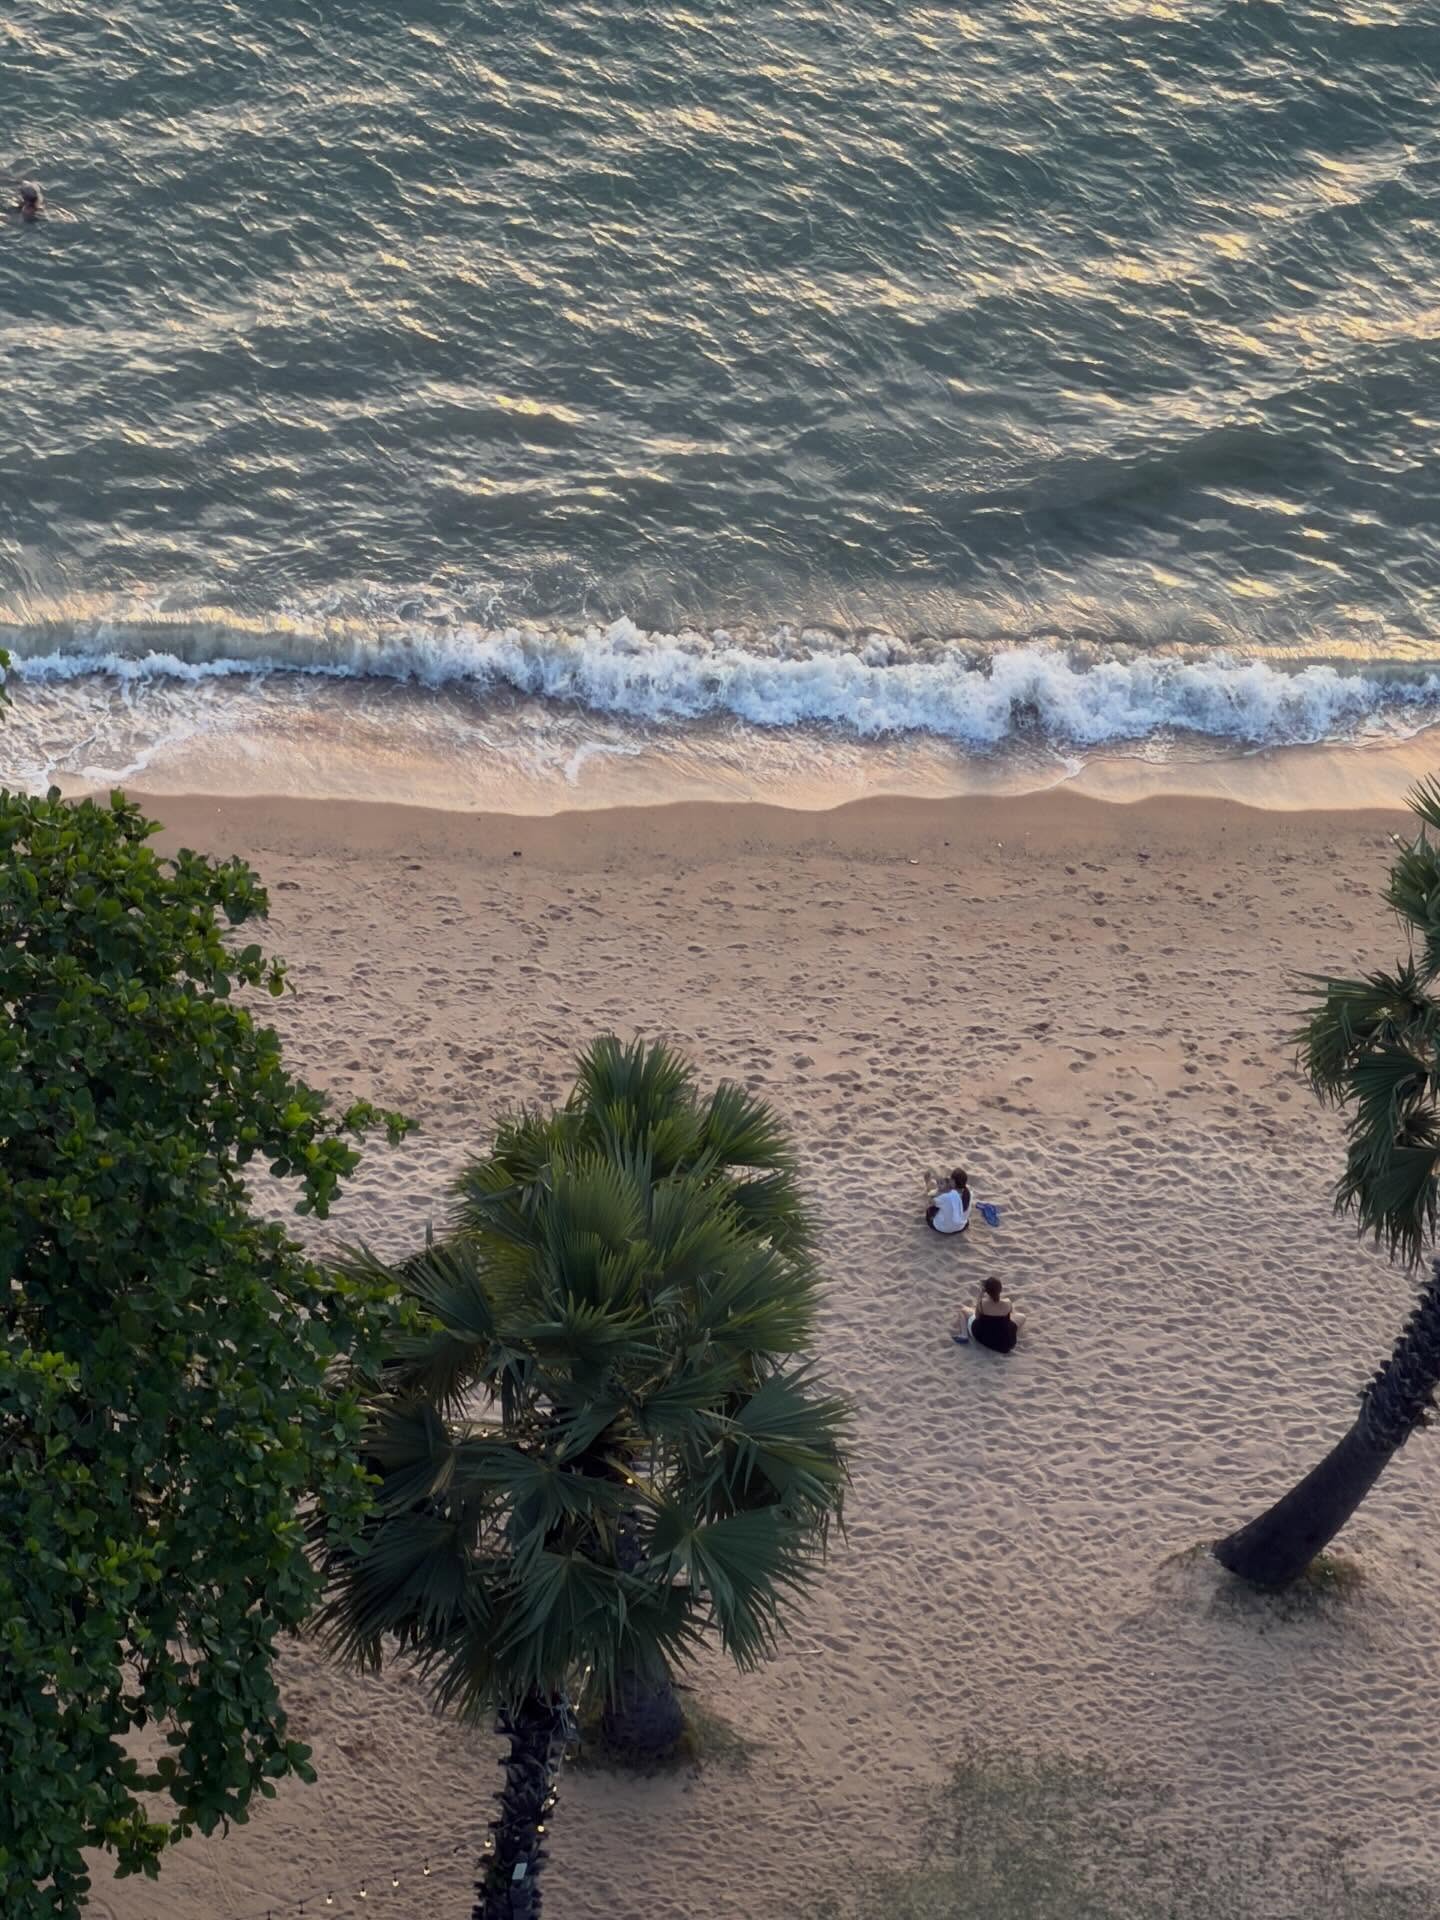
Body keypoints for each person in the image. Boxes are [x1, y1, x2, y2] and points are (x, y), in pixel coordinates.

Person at [952, 1276, 1024, 1353]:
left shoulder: (982, 1303)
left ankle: (964, 1335)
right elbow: (1011, 1315)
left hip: (983, 1337)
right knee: (1022, 1317)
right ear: (1000, 1290)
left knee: (963, 1310)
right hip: (1005, 1342)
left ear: (986, 1291)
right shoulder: (1007, 1302)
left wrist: (981, 1294)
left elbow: (977, 1317)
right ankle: (1010, 1332)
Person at [926, 1167, 972, 1235]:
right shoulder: (969, 1192)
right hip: (962, 1226)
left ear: (953, 1181)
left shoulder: (947, 1196)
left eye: (951, 1178)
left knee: (931, 1209)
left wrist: (930, 1187)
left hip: (944, 1229)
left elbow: (930, 1202)